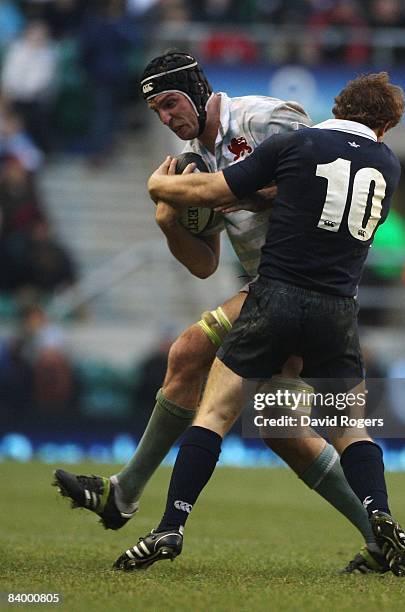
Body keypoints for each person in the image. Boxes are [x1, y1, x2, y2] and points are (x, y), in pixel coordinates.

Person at [54, 50, 386, 575]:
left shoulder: (265, 116)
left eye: (170, 103)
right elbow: (205, 265)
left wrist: (238, 192)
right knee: (282, 429)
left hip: (304, 276)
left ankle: (126, 493)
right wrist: (171, 223)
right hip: (270, 287)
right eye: (157, 112)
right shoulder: (195, 161)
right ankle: (383, 535)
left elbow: (322, 172)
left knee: (189, 350)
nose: (167, 118)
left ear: (197, 88)